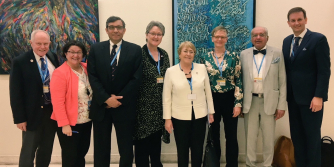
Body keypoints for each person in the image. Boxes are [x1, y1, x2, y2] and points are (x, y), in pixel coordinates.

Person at [87, 16, 142, 167]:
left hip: (124, 107)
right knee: (101, 148)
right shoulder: (96, 49)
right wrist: (106, 98)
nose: (115, 30)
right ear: (106, 30)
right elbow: (92, 76)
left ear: (124, 30)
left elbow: (136, 79)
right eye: (111, 27)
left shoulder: (135, 50)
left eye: (119, 27)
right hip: (101, 107)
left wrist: (118, 100)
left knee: (126, 148)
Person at [283, 7, 330, 167]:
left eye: (299, 19)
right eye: (293, 20)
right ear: (288, 23)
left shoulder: (318, 39)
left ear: (306, 20)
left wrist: (319, 96)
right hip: (293, 99)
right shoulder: (286, 41)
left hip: (312, 100)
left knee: (312, 139)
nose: (296, 23)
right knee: (297, 138)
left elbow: (324, 71)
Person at [9, 29, 60, 167]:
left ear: (49, 43)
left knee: (46, 149)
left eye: (45, 43)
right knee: (28, 151)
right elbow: (15, 93)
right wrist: (19, 118)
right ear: (31, 43)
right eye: (39, 43)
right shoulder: (20, 61)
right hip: (31, 115)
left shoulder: (52, 57)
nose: (42, 47)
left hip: (51, 113)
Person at [240, 26, 287, 167]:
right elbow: (239, 80)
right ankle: (250, 164)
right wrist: (239, 103)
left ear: (267, 37)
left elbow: (282, 81)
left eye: (261, 34)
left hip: (270, 102)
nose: (258, 37)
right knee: (250, 138)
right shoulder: (243, 54)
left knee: (268, 138)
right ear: (251, 38)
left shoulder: (277, 53)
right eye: (255, 35)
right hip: (250, 102)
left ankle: (268, 164)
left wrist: (281, 105)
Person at [163, 41, 214, 167]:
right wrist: (167, 119)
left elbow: (208, 92)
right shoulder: (170, 71)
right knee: (182, 150)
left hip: (200, 116)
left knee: (198, 149)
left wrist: (211, 112)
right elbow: (166, 97)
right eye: (185, 51)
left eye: (191, 52)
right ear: (179, 54)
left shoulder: (201, 68)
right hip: (179, 117)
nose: (188, 54)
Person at [200, 25, 243, 166]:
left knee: (231, 136)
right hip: (212, 100)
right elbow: (201, 83)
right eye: (217, 36)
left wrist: (238, 103)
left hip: (230, 98)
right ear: (212, 38)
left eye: (222, 37)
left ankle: (232, 164)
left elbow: (239, 80)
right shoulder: (204, 58)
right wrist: (205, 104)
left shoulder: (234, 57)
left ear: (226, 39)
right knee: (214, 135)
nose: (219, 39)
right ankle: (214, 163)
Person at [50, 41, 92, 167]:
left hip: (86, 120)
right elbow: (57, 102)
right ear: (65, 54)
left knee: (81, 153)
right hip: (69, 123)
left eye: (79, 52)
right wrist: (64, 124)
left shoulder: (86, 68)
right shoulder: (60, 73)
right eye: (72, 52)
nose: (75, 55)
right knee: (70, 156)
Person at [133, 21, 170, 167]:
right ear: (147, 35)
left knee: (155, 145)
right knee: (142, 146)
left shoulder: (164, 54)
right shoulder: (138, 54)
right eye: (153, 33)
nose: (156, 36)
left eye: (159, 34)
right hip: (142, 108)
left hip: (159, 108)